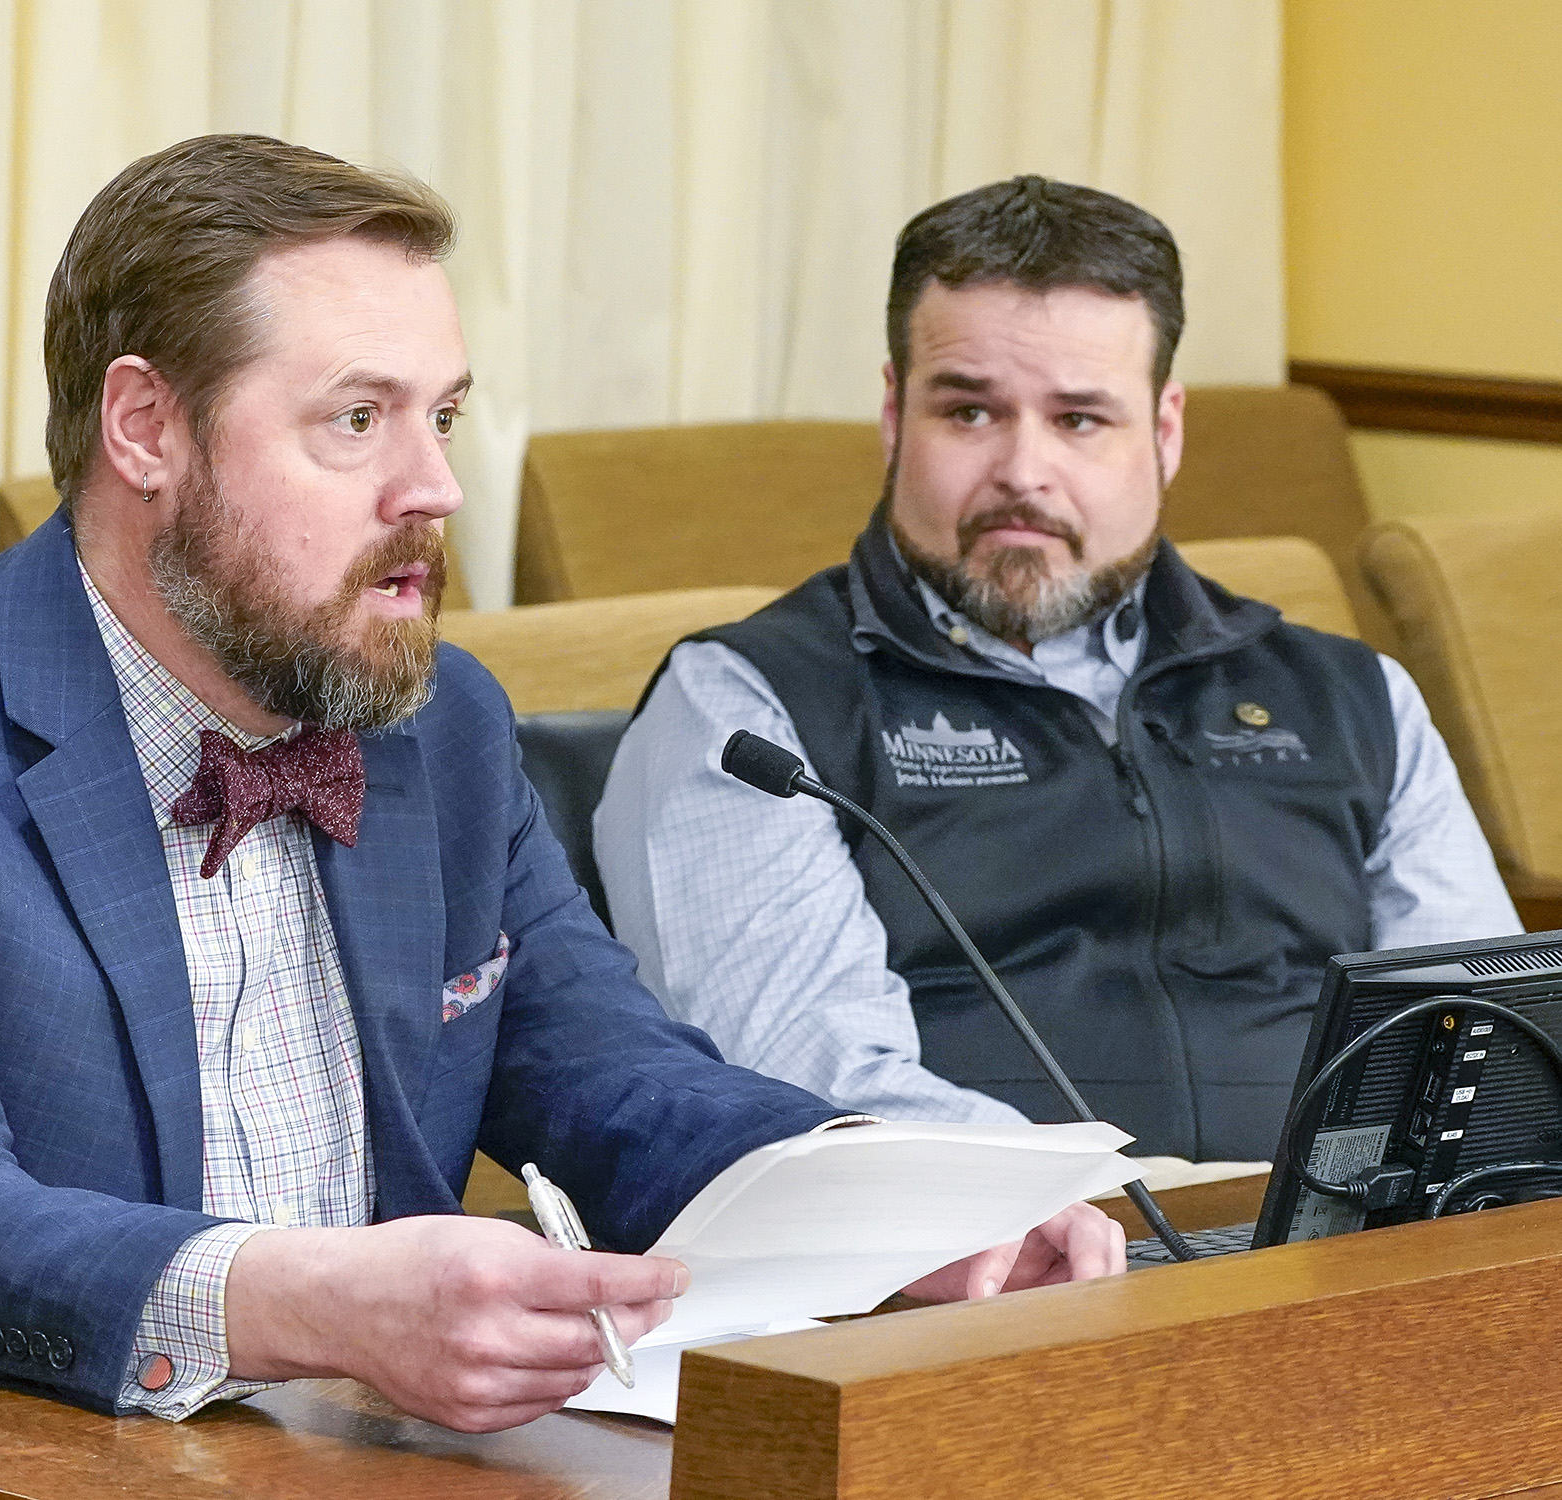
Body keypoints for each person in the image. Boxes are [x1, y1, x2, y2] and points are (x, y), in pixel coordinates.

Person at [0, 139, 1121, 1499]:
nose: (432, 485)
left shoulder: (445, 723)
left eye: (445, 415)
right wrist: (308, 1303)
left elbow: (615, 1080)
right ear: (145, 429)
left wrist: (912, 1209)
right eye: (357, 421)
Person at [594, 176, 1521, 1165]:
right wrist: (1105, 1210)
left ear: (1164, 433)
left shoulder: (1351, 698)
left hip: (1342, 1256)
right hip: (984, 1281)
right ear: (894, 416)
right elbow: (805, 1085)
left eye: (1080, 420)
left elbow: (1486, 1040)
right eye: (970, 413)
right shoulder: (750, 710)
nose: (1024, 472)